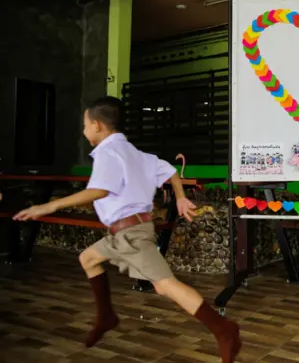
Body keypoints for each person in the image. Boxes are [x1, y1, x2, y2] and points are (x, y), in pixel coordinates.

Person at [13, 97, 241, 362]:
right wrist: (179, 196)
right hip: (125, 232)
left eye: (85, 125)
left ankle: (224, 330)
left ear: (97, 125)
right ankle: (106, 316)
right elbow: (169, 171)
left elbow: (99, 190)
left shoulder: (108, 152)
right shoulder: (133, 152)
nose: (84, 130)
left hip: (131, 234)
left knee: (166, 286)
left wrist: (48, 207)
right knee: (88, 258)